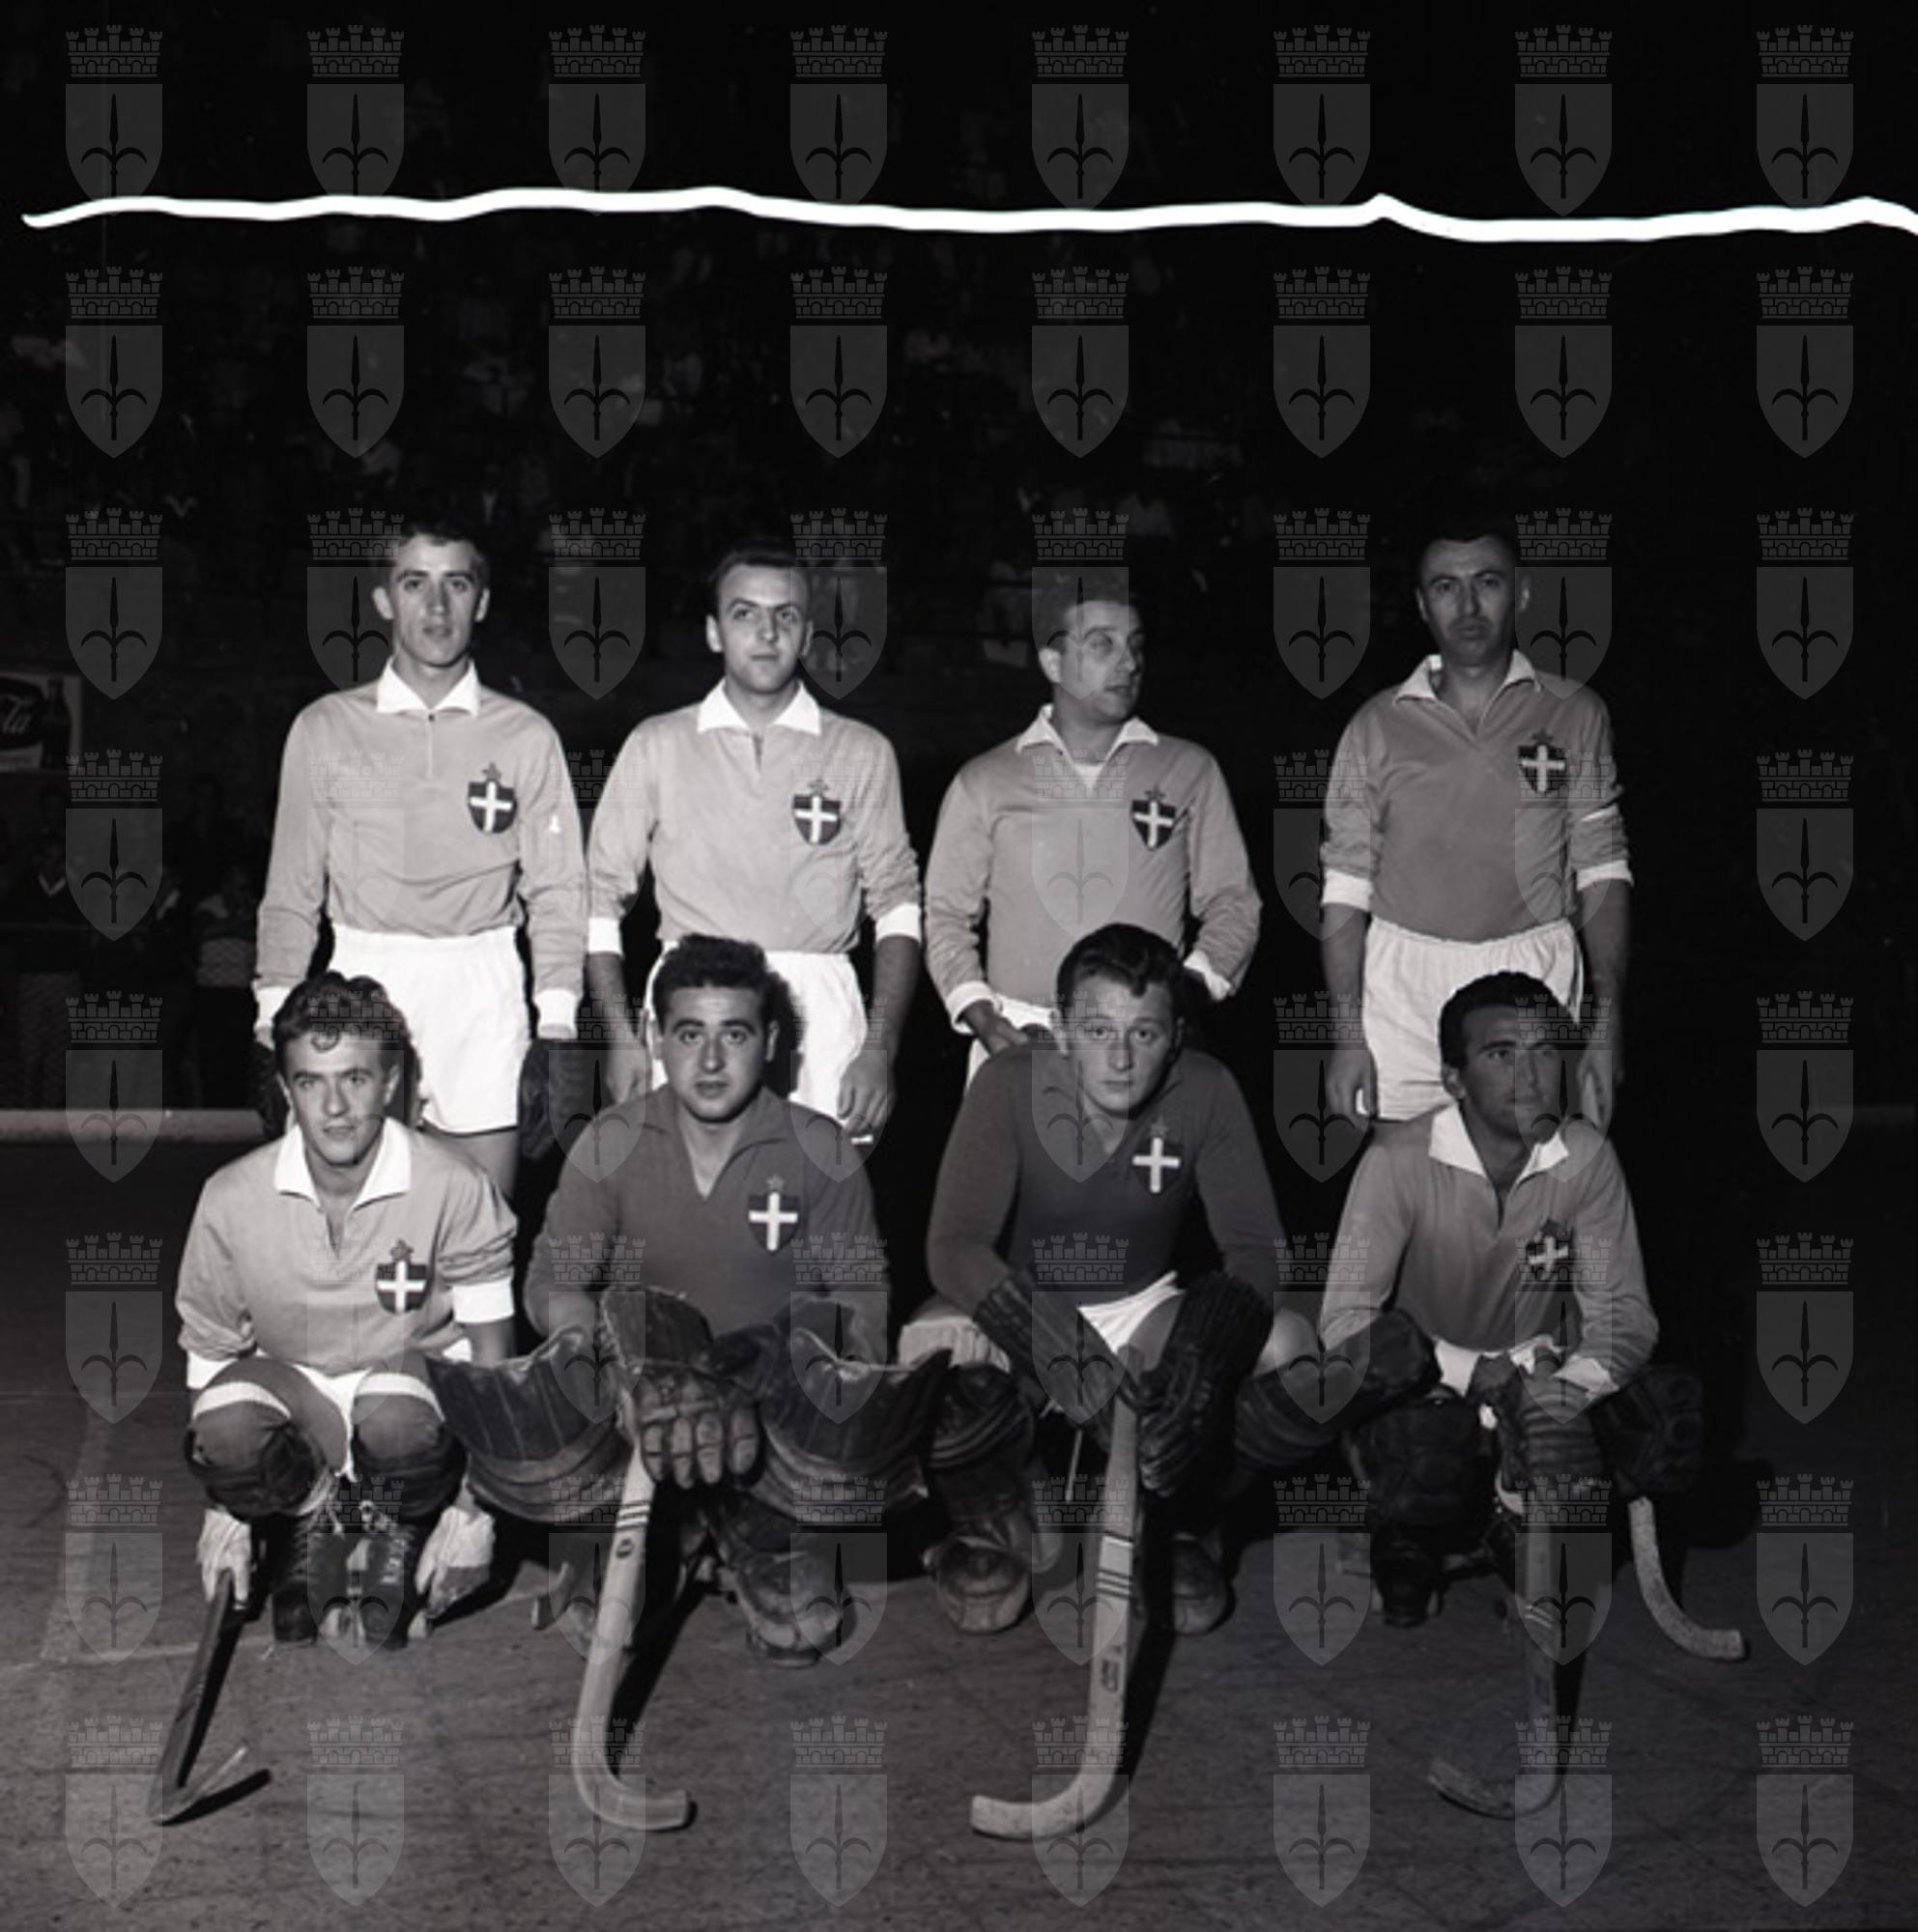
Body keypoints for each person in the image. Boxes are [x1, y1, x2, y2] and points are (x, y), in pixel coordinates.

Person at [432, 936, 944, 1666]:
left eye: (734, 1035)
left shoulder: (820, 1148)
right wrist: (600, 1355)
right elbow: (553, 1284)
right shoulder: (610, 1142)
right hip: (648, 1410)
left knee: (802, 1625)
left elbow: (861, 1295)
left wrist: (817, 1373)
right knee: (602, 1621)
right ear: (655, 1037)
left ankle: (753, 1531)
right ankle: (663, 1536)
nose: (709, 1061)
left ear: (771, 1041)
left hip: (768, 1416)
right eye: (689, 1034)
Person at [908, 923, 1310, 1636]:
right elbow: (953, 1246)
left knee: (1288, 1345)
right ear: (1061, 1030)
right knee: (928, 1345)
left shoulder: (1207, 1089)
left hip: (1139, 1310)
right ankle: (996, 1515)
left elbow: (1256, 1250)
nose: (1120, 1059)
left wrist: (1201, 1369)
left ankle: (1182, 1515)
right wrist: (1059, 1349)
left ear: (1176, 1035)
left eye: (1144, 1034)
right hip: (1024, 1303)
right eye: (1097, 1031)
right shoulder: (1009, 1082)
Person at [1316, 973, 1698, 1625]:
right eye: (1500, 1053)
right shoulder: (1395, 1161)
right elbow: (1343, 1320)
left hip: (1541, 1379)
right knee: (1416, 1435)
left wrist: (1563, 1391)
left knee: (1665, 1416)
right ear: (1454, 1079)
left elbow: (1623, 1314)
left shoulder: (1586, 1158)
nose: (1529, 1074)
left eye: (1544, 1050)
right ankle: (1408, 1522)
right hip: (1432, 1384)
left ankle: (1512, 1511)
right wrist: (1475, 1374)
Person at [254, 516, 587, 1200]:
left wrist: (556, 1023)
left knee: (481, 1218)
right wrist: (270, 1020)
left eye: (456, 585)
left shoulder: (526, 735)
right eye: (415, 584)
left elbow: (558, 891)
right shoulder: (326, 727)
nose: (437, 606)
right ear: (384, 600)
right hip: (365, 971)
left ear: (481, 602)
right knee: (351, 1218)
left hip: (482, 980)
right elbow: (291, 888)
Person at [180, 973, 515, 1649]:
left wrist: (476, 1505)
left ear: (389, 1084)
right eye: (311, 1082)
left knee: (394, 1411)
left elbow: (492, 1360)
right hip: (299, 1394)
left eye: (355, 1079)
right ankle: (314, 1510)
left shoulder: (454, 1185)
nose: (334, 1107)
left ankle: (397, 1518)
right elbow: (211, 1351)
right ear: (285, 1090)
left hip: (409, 1399)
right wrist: (227, 1503)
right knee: (223, 1421)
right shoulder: (230, 1195)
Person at [585, 544, 921, 1133]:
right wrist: (618, 1035)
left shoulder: (861, 751)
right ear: (714, 632)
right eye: (745, 614)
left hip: (818, 1015)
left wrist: (880, 1047)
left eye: (785, 615)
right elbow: (598, 902)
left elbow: (897, 907)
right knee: (688, 1186)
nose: (767, 633)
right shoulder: (656, 743)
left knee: (816, 1187)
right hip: (694, 1006)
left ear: (808, 634)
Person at [1320, 511, 1631, 1131]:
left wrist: (1608, 1018)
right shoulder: (1375, 725)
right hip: (1403, 987)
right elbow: (1345, 889)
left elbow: (1602, 869)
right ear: (1421, 603)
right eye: (1445, 586)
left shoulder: (1574, 713)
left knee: (1532, 1176)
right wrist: (1347, 1034)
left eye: (1487, 582)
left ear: (1521, 592)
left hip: (1533, 976)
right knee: (1406, 1177)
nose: (1467, 606)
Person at [924, 581, 1260, 1078]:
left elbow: (1234, 901)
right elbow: (946, 916)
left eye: (1136, 645)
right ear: (1052, 663)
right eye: (1102, 644)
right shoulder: (985, 780)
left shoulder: (1189, 769)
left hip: (1146, 1042)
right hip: (1021, 1038)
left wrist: (1182, 993)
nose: (1129, 663)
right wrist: (984, 1017)